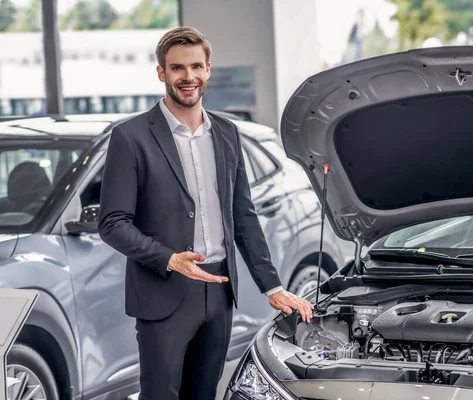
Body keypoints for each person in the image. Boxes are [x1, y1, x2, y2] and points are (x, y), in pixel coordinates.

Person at [98, 26, 314, 400]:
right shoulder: (130, 137)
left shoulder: (228, 133)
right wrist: (169, 259)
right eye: (178, 68)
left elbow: (242, 216)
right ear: (162, 73)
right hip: (164, 293)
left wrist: (273, 287)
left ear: (208, 69)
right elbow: (112, 224)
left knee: (204, 394)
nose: (188, 77)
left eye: (196, 66)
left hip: (218, 293)